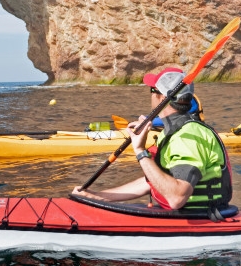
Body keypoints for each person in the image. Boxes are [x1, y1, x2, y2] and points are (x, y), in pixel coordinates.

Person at [71, 67, 232, 215]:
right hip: (184, 215)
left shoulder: (186, 137)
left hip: (202, 220)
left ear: (161, 96)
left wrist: (140, 151)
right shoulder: (172, 132)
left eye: (151, 90)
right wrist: (96, 197)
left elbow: (176, 198)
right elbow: (154, 182)